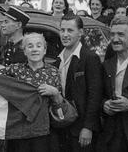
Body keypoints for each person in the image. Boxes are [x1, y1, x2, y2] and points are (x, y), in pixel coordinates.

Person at [0, 33, 63, 152]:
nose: (34, 49)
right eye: (30, 46)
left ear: (44, 50)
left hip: (43, 133)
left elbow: (60, 104)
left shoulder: (54, 72)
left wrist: (54, 92)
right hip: (18, 131)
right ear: (24, 51)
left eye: (38, 46)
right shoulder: (14, 70)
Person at [53, 14, 103, 152]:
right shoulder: (57, 60)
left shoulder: (90, 58)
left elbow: (95, 95)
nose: (65, 34)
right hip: (62, 127)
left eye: (70, 30)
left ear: (80, 32)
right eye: (62, 30)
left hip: (81, 129)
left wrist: (88, 127)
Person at [98, 16, 128, 152]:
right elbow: (99, 95)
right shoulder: (107, 64)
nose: (115, 38)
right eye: (112, 34)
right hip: (112, 135)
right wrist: (104, 104)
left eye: (121, 34)